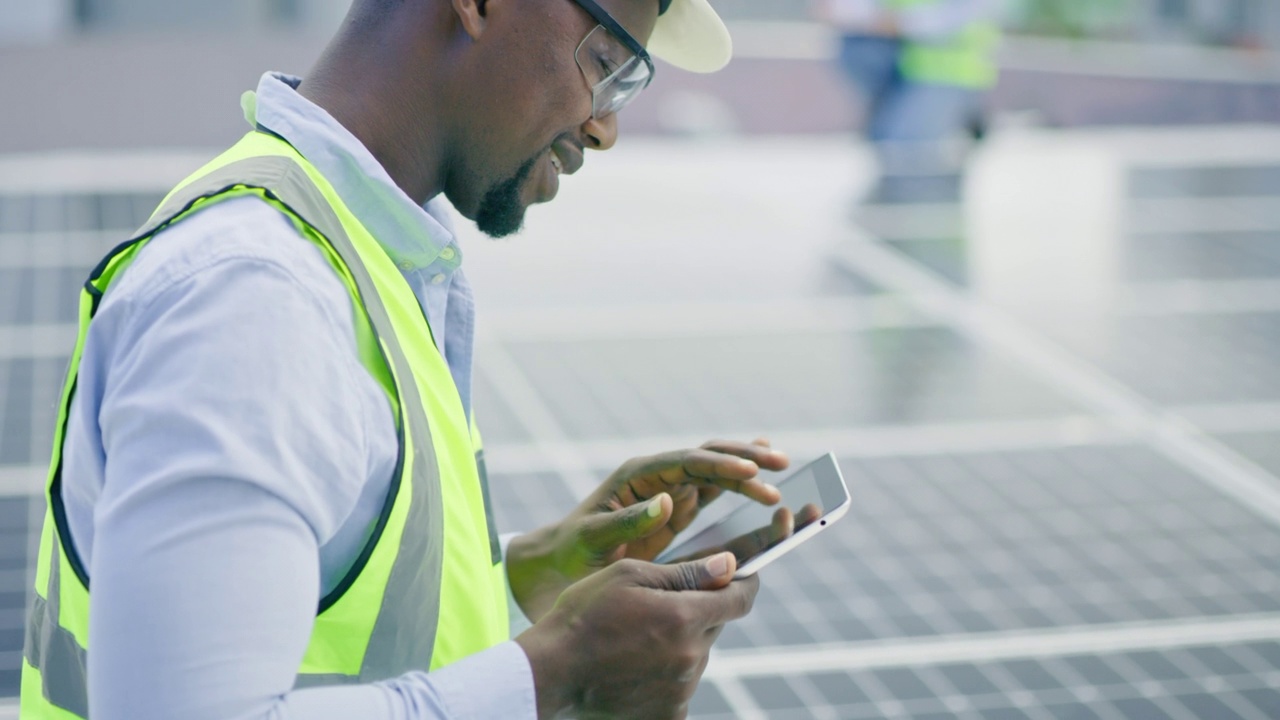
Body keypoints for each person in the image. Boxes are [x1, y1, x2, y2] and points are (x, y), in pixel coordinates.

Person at [19, 0, 802, 718]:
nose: (605, 128)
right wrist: (563, 666)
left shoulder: (354, 247)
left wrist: (526, 582)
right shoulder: (260, 298)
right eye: (605, 65)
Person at [815, 0, 1002, 202]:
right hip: (902, 63)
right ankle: (891, 114)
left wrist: (899, 24)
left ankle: (963, 111)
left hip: (948, 69)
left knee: (907, 154)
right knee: (857, 46)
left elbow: (962, 17)